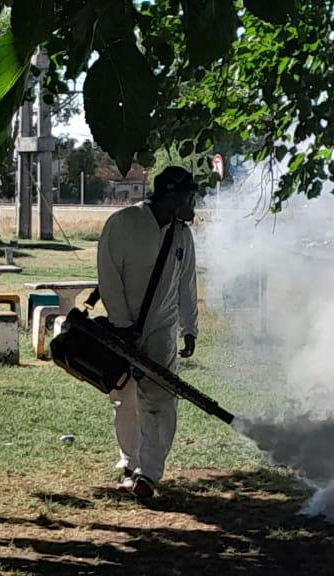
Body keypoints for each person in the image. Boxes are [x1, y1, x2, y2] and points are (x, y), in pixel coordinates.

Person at [97, 166, 199, 498]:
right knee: (125, 399)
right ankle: (130, 463)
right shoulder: (123, 225)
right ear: (172, 197)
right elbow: (109, 279)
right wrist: (122, 326)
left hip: (162, 329)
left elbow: (186, 285)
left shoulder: (182, 234)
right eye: (188, 197)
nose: (192, 204)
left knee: (162, 400)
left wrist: (189, 328)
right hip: (120, 327)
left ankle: (149, 474)